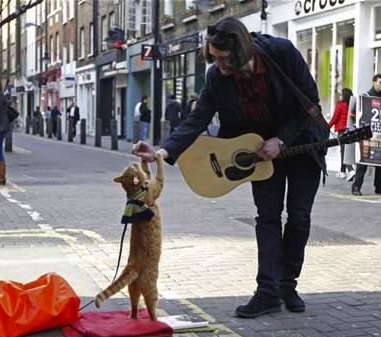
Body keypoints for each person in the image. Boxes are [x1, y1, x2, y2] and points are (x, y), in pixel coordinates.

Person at [133, 17, 328, 318]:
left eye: (224, 58)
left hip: (302, 144)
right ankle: (267, 292)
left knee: (299, 217)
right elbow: (197, 120)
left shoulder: (282, 53)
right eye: (214, 57)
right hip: (260, 154)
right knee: (267, 218)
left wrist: (281, 139)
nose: (219, 64)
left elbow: (311, 104)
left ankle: (288, 284)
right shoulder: (216, 77)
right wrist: (161, 152)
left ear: (242, 49)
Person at [351, 74, 381, 196]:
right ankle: (356, 187)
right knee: (363, 161)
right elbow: (353, 115)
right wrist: (359, 128)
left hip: (379, 135)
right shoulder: (365, 97)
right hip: (366, 135)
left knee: (379, 162)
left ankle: (379, 187)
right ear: (374, 82)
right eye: (380, 82)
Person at [329, 88, 355, 180]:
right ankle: (342, 172)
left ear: (344, 96)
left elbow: (335, 117)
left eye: (341, 94)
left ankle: (351, 170)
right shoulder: (352, 105)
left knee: (344, 151)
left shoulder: (340, 105)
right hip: (351, 130)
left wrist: (327, 127)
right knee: (344, 150)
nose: (340, 96)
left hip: (342, 131)